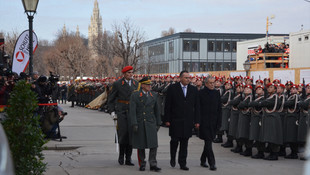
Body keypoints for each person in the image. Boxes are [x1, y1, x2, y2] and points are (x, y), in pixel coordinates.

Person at [164, 70, 200, 171]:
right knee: (174, 141)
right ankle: (172, 158)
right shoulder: (172, 88)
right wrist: (167, 119)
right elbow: (168, 105)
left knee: (185, 143)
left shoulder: (193, 89)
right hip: (175, 119)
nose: (188, 79)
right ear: (180, 78)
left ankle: (182, 163)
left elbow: (197, 106)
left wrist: (197, 121)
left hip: (187, 121)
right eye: (186, 78)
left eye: (189, 78)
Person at [129, 76, 162, 172]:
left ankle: (153, 164)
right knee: (141, 145)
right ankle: (142, 163)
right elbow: (133, 111)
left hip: (150, 122)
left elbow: (157, 110)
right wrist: (134, 123)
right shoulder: (135, 95)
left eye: (150, 84)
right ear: (142, 85)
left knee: (153, 145)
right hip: (140, 122)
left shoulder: (153, 95)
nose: (149, 86)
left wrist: (158, 122)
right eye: (147, 84)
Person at [108, 66, 138, 166]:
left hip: (132, 111)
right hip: (122, 111)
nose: (131, 74)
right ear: (124, 74)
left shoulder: (135, 83)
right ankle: (121, 156)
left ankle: (128, 158)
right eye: (129, 73)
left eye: (131, 72)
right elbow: (111, 99)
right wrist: (112, 111)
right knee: (123, 134)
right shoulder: (118, 84)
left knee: (131, 134)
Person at [198, 75, 221, 171]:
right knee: (208, 142)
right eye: (210, 83)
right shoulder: (201, 93)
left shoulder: (216, 93)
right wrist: (197, 121)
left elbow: (219, 109)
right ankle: (212, 163)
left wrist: (219, 122)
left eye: (213, 83)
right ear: (206, 83)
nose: (212, 85)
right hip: (204, 122)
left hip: (214, 122)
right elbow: (198, 109)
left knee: (208, 141)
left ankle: (203, 159)